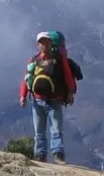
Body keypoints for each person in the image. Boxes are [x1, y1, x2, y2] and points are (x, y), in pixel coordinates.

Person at [19, 31, 77, 163]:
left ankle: (58, 155)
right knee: (39, 131)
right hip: (37, 100)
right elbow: (26, 78)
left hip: (55, 100)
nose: (44, 44)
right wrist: (23, 95)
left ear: (51, 43)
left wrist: (70, 92)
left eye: (46, 41)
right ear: (37, 45)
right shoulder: (33, 61)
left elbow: (68, 76)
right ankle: (40, 155)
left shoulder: (59, 60)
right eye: (41, 42)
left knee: (56, 130)